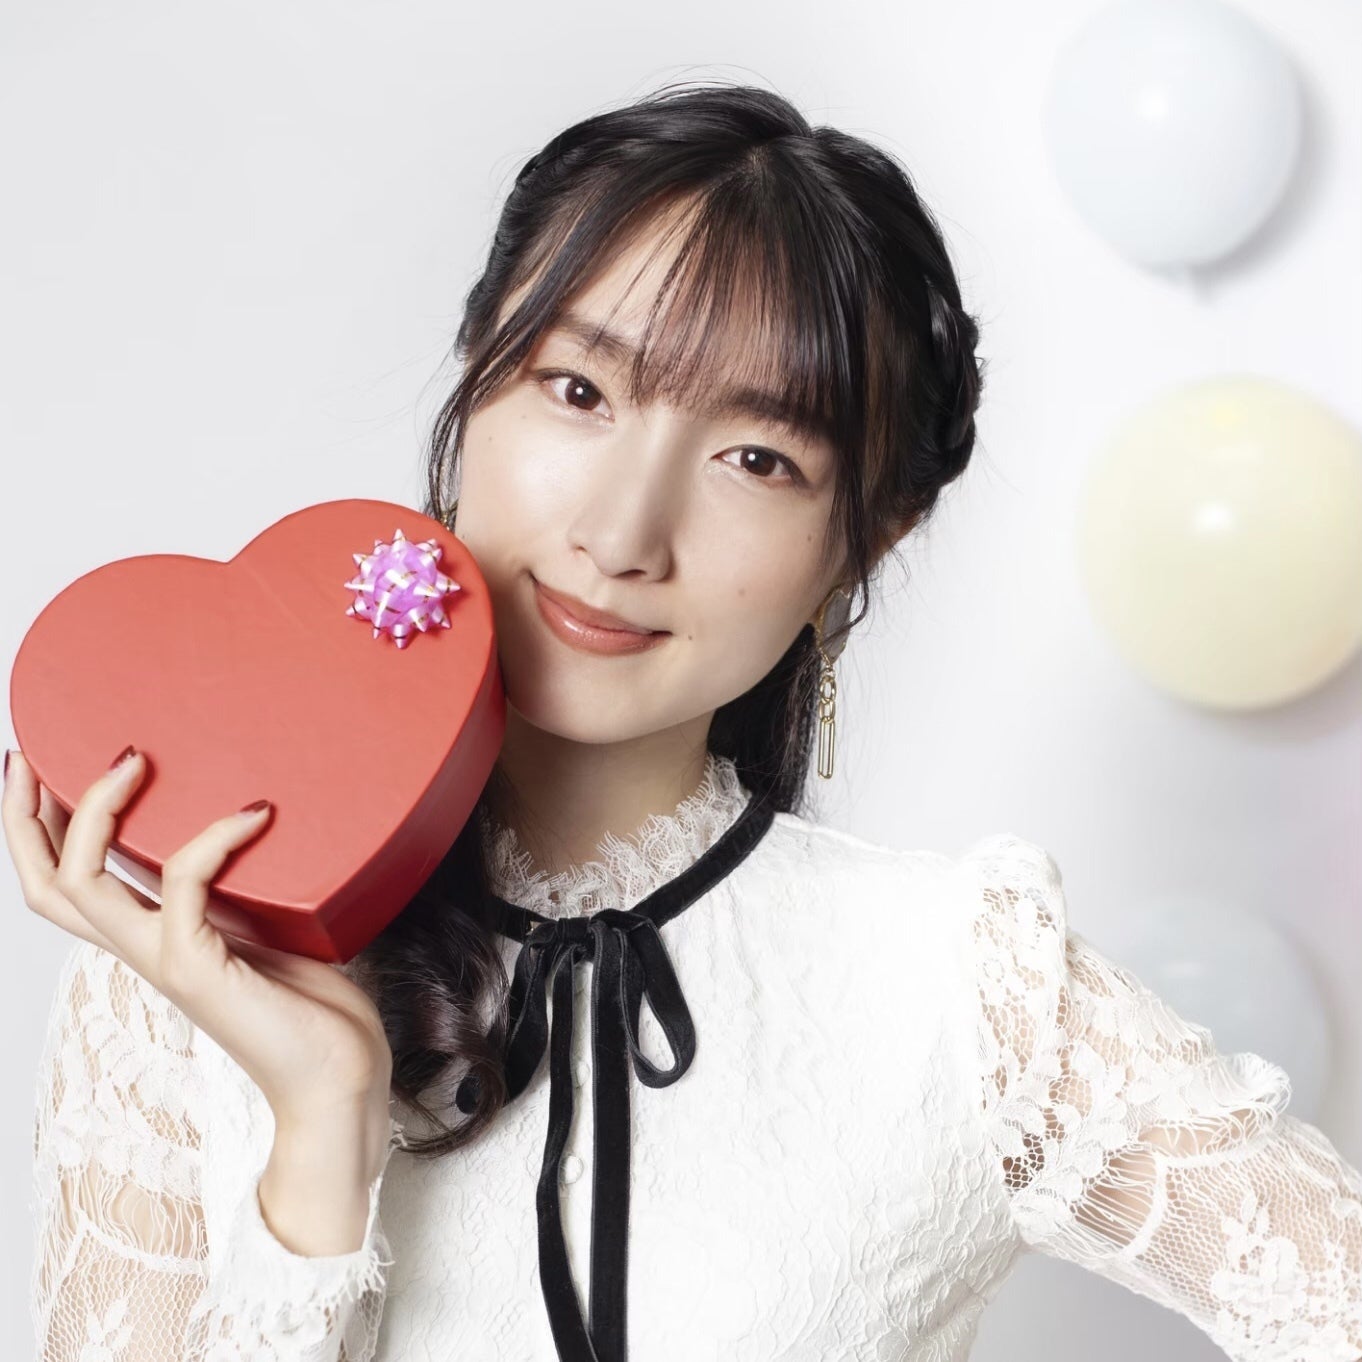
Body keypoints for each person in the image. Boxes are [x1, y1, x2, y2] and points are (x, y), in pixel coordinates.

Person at [6, 79, 1361, 1362]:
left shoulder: (961, 992)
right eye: (577, 392)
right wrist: (318, 1131)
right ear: (476, 374)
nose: (620, 534)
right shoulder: (181, 969)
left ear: (867, 538)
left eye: (756, 459)